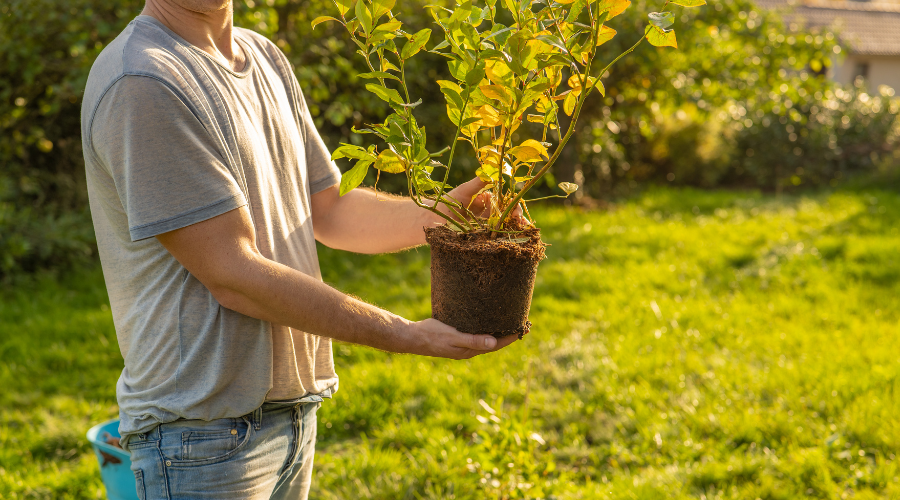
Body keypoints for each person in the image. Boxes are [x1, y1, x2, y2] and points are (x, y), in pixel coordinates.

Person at [80, 0, 518, 498]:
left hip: (292, 417)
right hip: (198, 438)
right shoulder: (142, 80)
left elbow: (329, 211)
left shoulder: (262, 56)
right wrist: (408, 335)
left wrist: (449, 210)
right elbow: (233, 275)